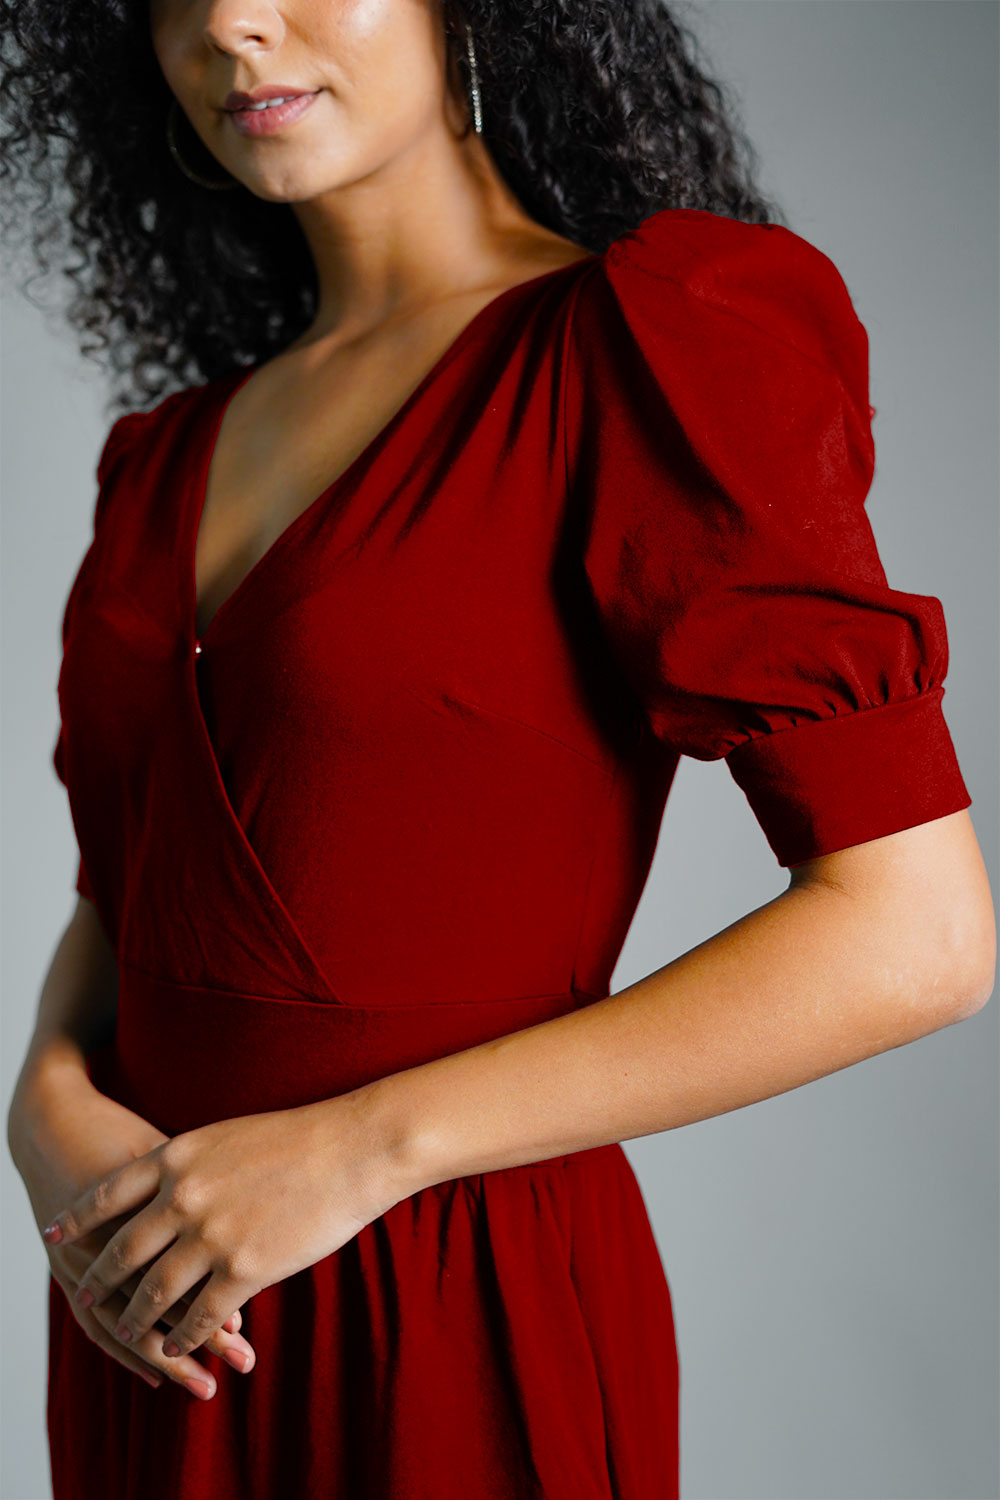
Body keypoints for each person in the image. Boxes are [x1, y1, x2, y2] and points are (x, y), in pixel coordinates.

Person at [3, 1, 994, 1496]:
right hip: (150, 1313)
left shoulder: (641, 348)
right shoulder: (167, 455)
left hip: (449, 1313)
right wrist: (43, 1107)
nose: (231, 25)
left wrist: (357, 1152)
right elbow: (130, 888)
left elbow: (917, 936)